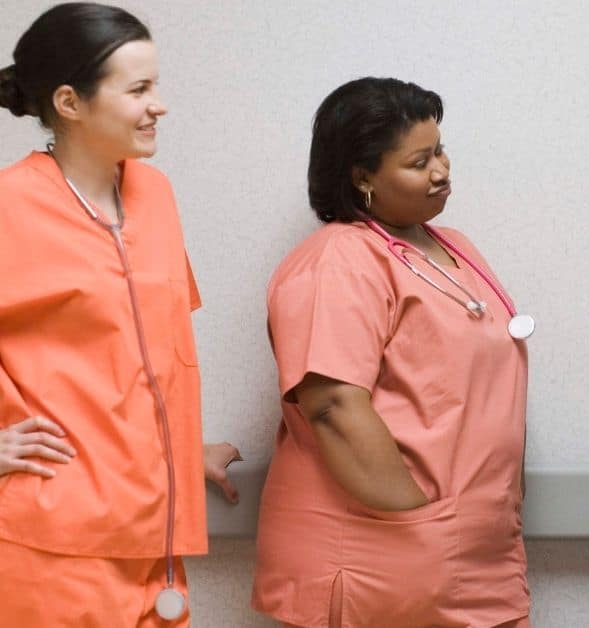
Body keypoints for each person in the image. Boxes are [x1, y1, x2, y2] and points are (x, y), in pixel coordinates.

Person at [252, 77, 532, 628]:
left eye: (441, 150)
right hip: (382, 553)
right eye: (419, 160)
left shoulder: (454, 247)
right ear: (362, 178)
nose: (442, 170)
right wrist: (418, 521)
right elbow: (333, 406)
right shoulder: (338, 259)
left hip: (476, 551)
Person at [0, 3, 241, 626]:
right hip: (55, 546)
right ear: (70, 103)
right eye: (138, 89)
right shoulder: (10, 207)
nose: (159, 104)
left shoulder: (155, 195)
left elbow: (153, 355)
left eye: (156, 85)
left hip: (158, 544)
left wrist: (182, 452)